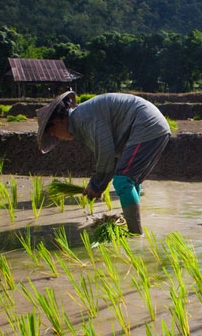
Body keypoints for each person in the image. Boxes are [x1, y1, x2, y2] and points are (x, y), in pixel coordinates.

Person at [36, 91, 172, 234]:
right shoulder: (81, 119)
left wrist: (96, 185)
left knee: (122, 181)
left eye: (52, 132)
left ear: (58, 121)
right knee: (130, 181)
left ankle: (135, 235)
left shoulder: (83, 117)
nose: (55, 137)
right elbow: (112, 155)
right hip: (151, 127)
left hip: (146, 126)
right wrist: (97, 184)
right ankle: (133, 226)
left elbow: (106, 152)